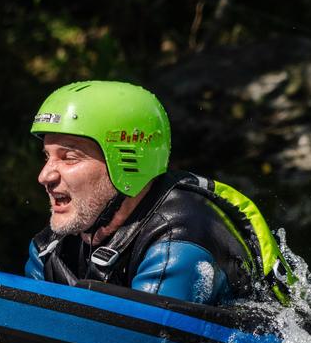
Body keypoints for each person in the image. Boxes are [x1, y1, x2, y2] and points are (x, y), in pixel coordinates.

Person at [25, 80, 295, 306]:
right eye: (47, 156)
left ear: (125, 165)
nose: (44, 176)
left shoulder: (181, 239)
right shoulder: (50, 250)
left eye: (69, 158)